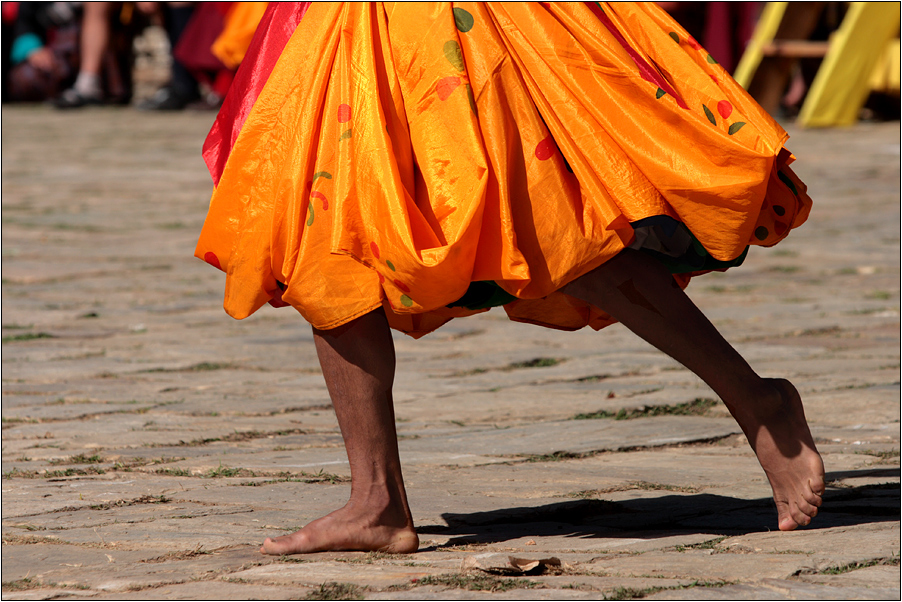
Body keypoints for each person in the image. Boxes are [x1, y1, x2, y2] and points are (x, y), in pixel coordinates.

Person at [195, 3, 826, 555]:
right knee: (322, 230)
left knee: (557, 222)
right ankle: (376, 499)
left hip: (467, 22)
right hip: (347, 21)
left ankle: (755, 400)